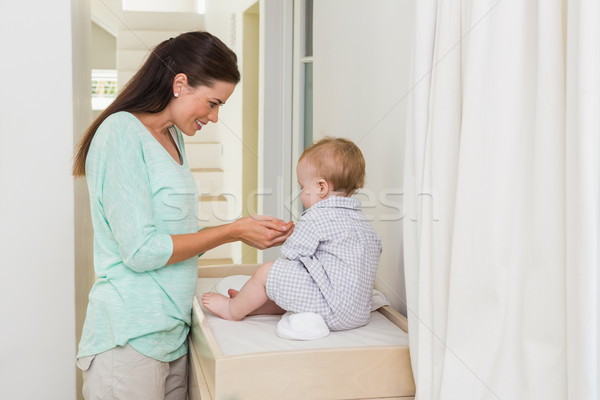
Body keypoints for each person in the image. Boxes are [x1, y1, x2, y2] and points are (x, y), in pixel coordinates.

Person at [73, 31, 293, 400]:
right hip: (130, 337)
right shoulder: (120, 133)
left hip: (173, 335)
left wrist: (242, 228)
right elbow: (141, 251)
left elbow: (174, 237)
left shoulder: (174, 138)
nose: (215, 116)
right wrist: (232, 232)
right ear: (180, 84)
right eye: (212, 103)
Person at [202, 137, 382, 331]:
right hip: (357, 314)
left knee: (268, 272)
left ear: (321, 188)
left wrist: (287, 236)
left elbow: (290, 256)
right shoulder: (362, 222)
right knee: (297, 280)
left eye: (302, 187)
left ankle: (232, 309)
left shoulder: (318, 216)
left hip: (330, 310)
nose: (301, 193)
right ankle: (254, 305)